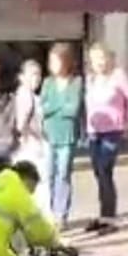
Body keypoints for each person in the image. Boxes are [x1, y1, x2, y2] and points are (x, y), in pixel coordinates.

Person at [84, 43, 128, 235]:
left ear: (108, 58)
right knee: (99, 174)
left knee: (105, 171)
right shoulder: (91, 79)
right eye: (94, 59)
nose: (98, 62)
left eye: (101, 57)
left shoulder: (118, 75)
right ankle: (103, 215)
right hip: (94, 132)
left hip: (113, 131)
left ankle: (110, 218)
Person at [40, 43, 83, 228]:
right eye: (51, 61)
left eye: (56, 61)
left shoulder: (76, 82)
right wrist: (61, 104)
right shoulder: (47, 82)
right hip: (49, 134)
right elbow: (43, 108)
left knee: (63, 175)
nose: (52, 65)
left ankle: (61, 215)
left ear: (65, 61)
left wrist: (54, 106)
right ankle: (49, 212)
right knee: (49, 175)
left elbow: (73, 109)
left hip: (68, 135)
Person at [13, 59, 50, 217]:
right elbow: (21, 124)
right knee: (38, 184)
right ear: (22, 77)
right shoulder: (26, 95)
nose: (37, 78)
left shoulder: (28, 95)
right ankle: (39, 219)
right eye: (33, 74)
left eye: (39, 74)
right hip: (31, 146)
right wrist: (36, 138)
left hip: (28, 146)